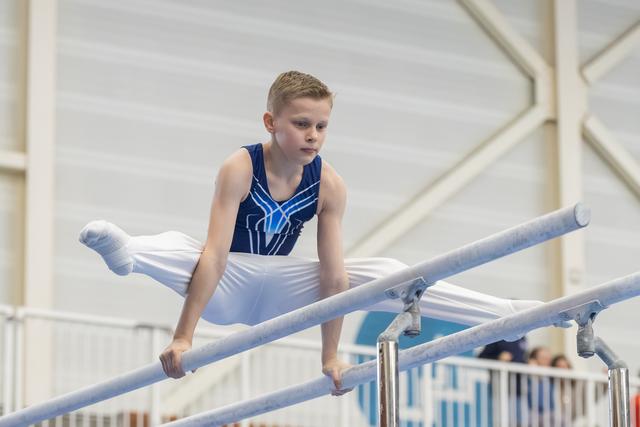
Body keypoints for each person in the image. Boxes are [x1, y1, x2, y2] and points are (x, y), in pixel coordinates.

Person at [80, 70, 544, 397]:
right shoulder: (240, 167)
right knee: (185, 247)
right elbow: (217, 256)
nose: (313, 136)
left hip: (284, 289)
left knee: (384, 273)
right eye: (301, 124)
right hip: (229, 283)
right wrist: (185, 338)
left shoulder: (329, 185)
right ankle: (131, 254)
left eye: (321, 126)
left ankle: (506, 314)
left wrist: (329, 358)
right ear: (271, 122)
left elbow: (333, 281)